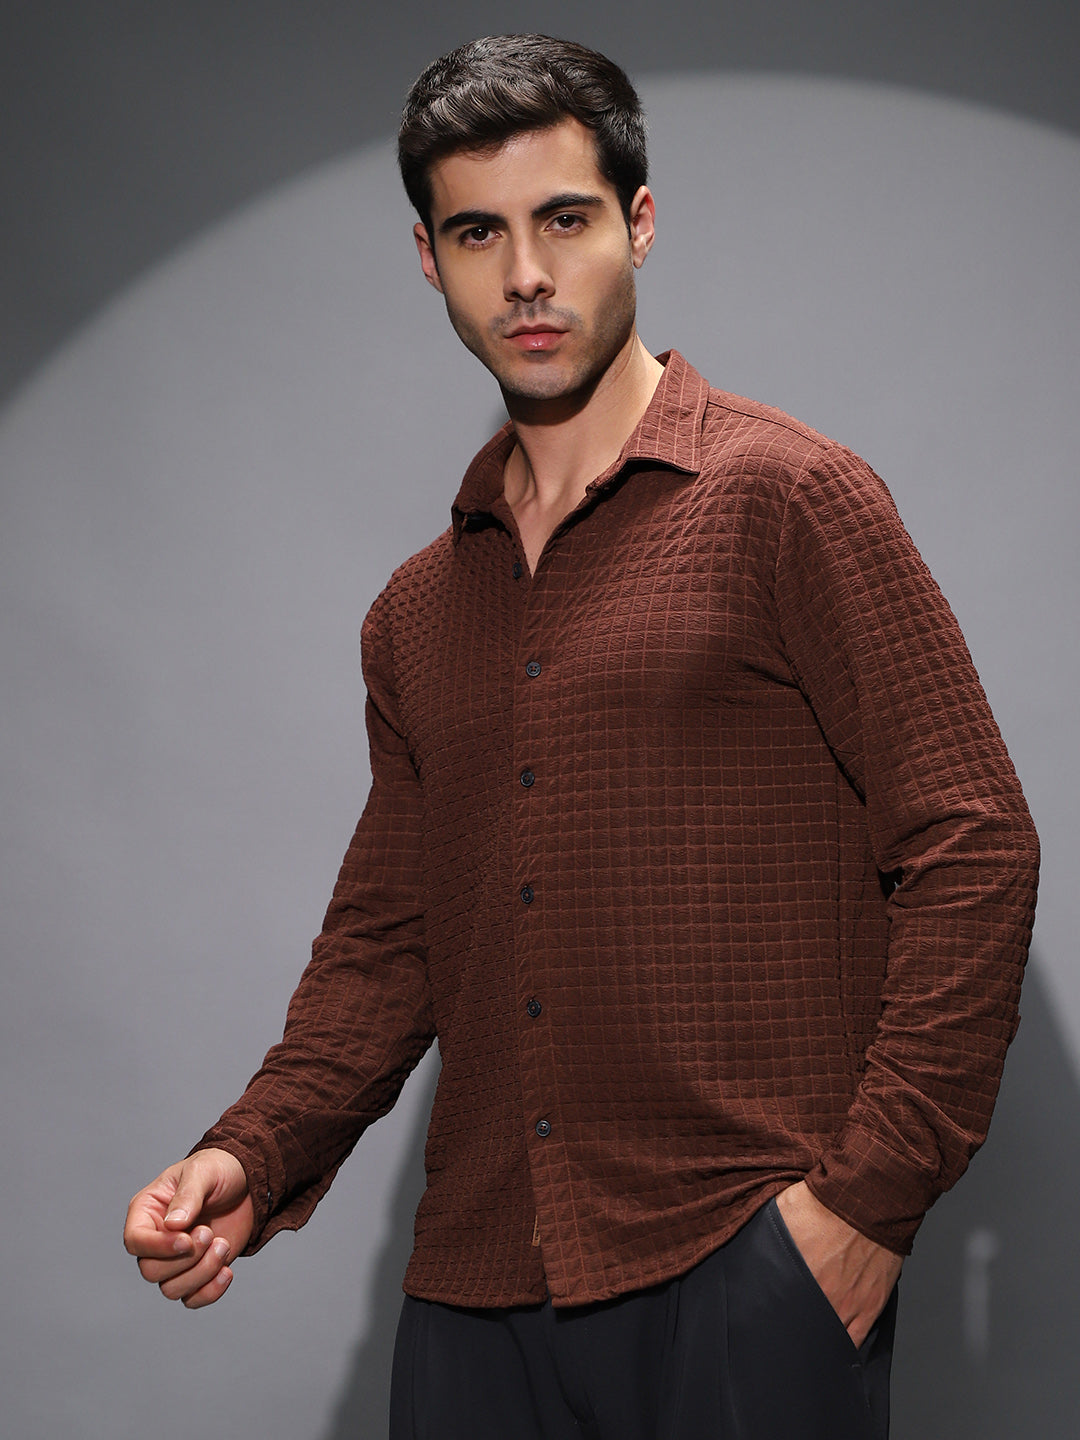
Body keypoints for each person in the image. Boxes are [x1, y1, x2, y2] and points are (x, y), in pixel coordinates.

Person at [124, 34, 1039, 1439]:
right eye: (478, 234)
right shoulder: (415, 613)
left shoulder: (788, 499)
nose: (526, 276)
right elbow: (389, 940)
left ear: (640, 223)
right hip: (476, 1294)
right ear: (429, 259)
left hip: (741, 1260)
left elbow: (973, 843)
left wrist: (867, 1205)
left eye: (564, 219)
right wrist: (254, 1150)